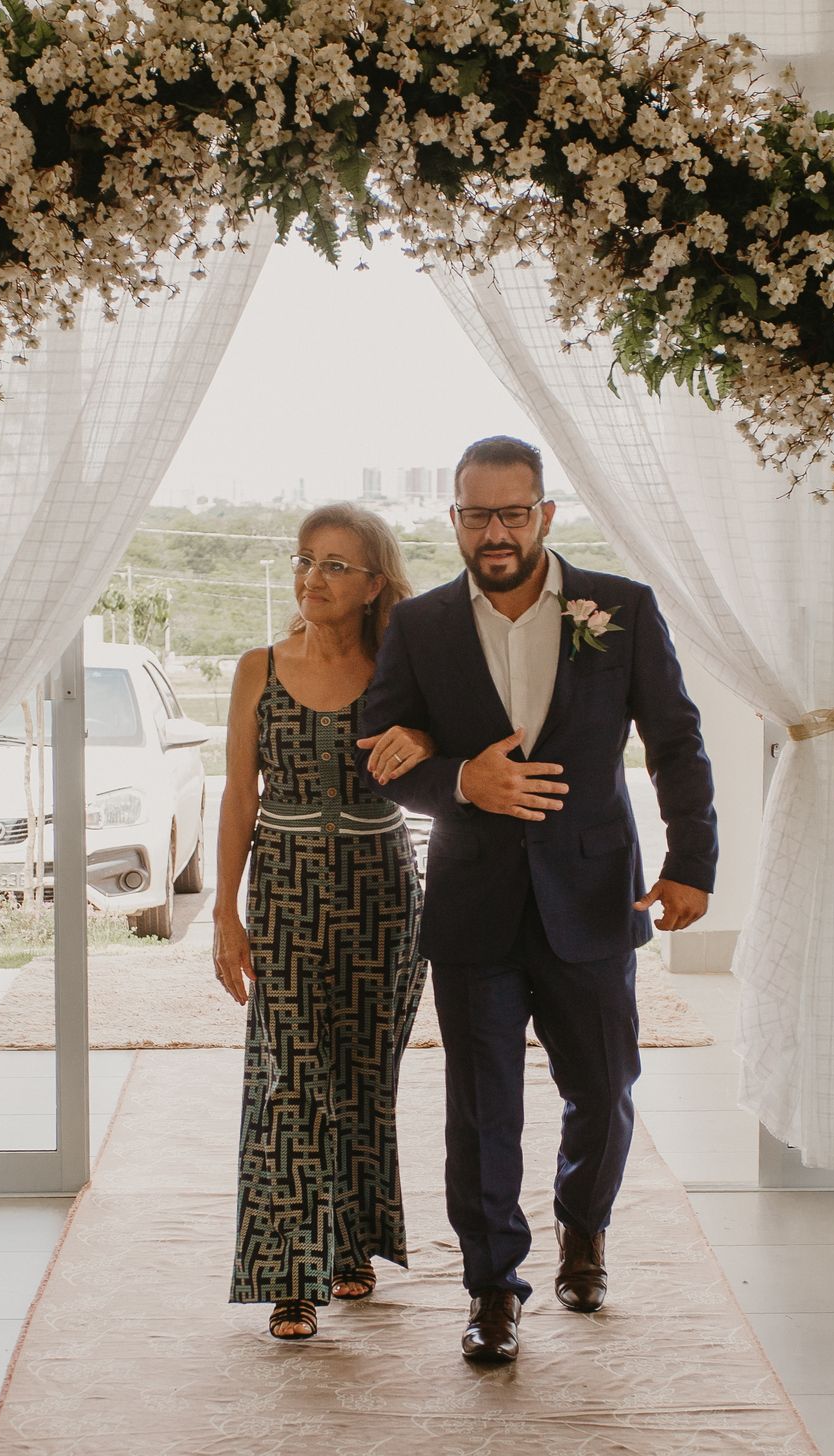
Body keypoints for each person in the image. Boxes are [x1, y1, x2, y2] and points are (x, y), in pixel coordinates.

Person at [355, 435, 718, 1364]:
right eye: (477, 515)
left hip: (597, 892)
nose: (496, 531)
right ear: (455, 522)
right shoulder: (422, 625)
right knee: (483, 1109)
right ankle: (491, 1288)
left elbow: (676, 740)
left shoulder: (621, 609)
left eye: (514, 512)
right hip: (475, 901)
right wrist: (459, 782)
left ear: (546, 514)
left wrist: (692, 864)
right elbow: (384, 751)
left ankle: (584, 1225)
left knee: (603, 1086)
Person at [214, 502, 432, 1341]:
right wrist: (226, 918)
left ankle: (350, 1243)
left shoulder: (399, 670)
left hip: (383, 888)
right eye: (307, 559)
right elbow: (240, 796)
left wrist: (417, 730)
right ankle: (289, 1274)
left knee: (364, 1076)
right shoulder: (256, 667)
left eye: (337, 564)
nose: (314, 576)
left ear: (375, 581)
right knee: (292, 1080)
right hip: (287, 890)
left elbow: (444, 755)